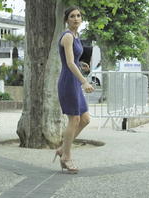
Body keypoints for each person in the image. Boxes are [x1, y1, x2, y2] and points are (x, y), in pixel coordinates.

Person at [54, 6, 94, 174]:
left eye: (78, 16)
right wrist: (84, 81)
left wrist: (81, 64)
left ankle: (62, 148)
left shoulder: (76, 36)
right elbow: (69, 63)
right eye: (72, 16)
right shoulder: (68, 36)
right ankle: (66, 157)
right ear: (66, 19)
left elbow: (74, 61)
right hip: (68, 82)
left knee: (85, 119)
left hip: (74, 81)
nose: (76, 18)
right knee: (75, 119)